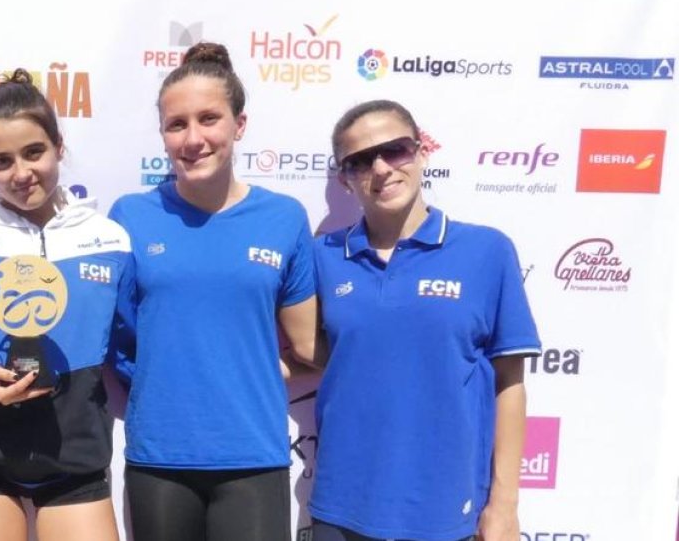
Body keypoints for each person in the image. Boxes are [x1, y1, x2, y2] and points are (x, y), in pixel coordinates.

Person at [107, 42, 319, 541]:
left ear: (238, 125)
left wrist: (241, 370)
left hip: (253, 454)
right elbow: (116, 341)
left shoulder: (284, 218)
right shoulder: (130, 217)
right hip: (159, 457)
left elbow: (308, 348)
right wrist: (168, 373)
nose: (193, 138)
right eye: (176, 124)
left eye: (209, 119)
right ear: (162, 134)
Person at [309, 100, 540, 541]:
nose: (380, 169)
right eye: (359, 161)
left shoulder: (486, 251)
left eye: (395, 149)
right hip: (341, 506)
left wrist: (505, 504)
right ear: (344, 178)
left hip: (444, 508)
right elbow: (297, 349)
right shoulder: (322, 256)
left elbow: (510, 381)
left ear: (421, 152)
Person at [0, 69, 132, 541]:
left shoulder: (108, 239)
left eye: (34, 152)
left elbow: (130, 354)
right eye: (2, 161)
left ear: (59, 145)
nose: (21, 173)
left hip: (75, 460)